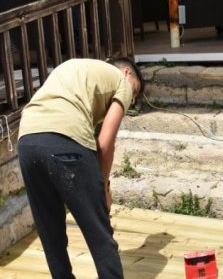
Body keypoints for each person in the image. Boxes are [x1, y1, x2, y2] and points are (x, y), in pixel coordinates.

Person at [18, 57, 144, 279]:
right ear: (126, 73)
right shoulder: (121, 81)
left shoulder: (79, 70)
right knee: (99, 232)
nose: (131, 100)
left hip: (27, 140)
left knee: (50, 231)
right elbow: (105, 143)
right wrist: (103, 188)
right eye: (135, 92)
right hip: (65, 138)